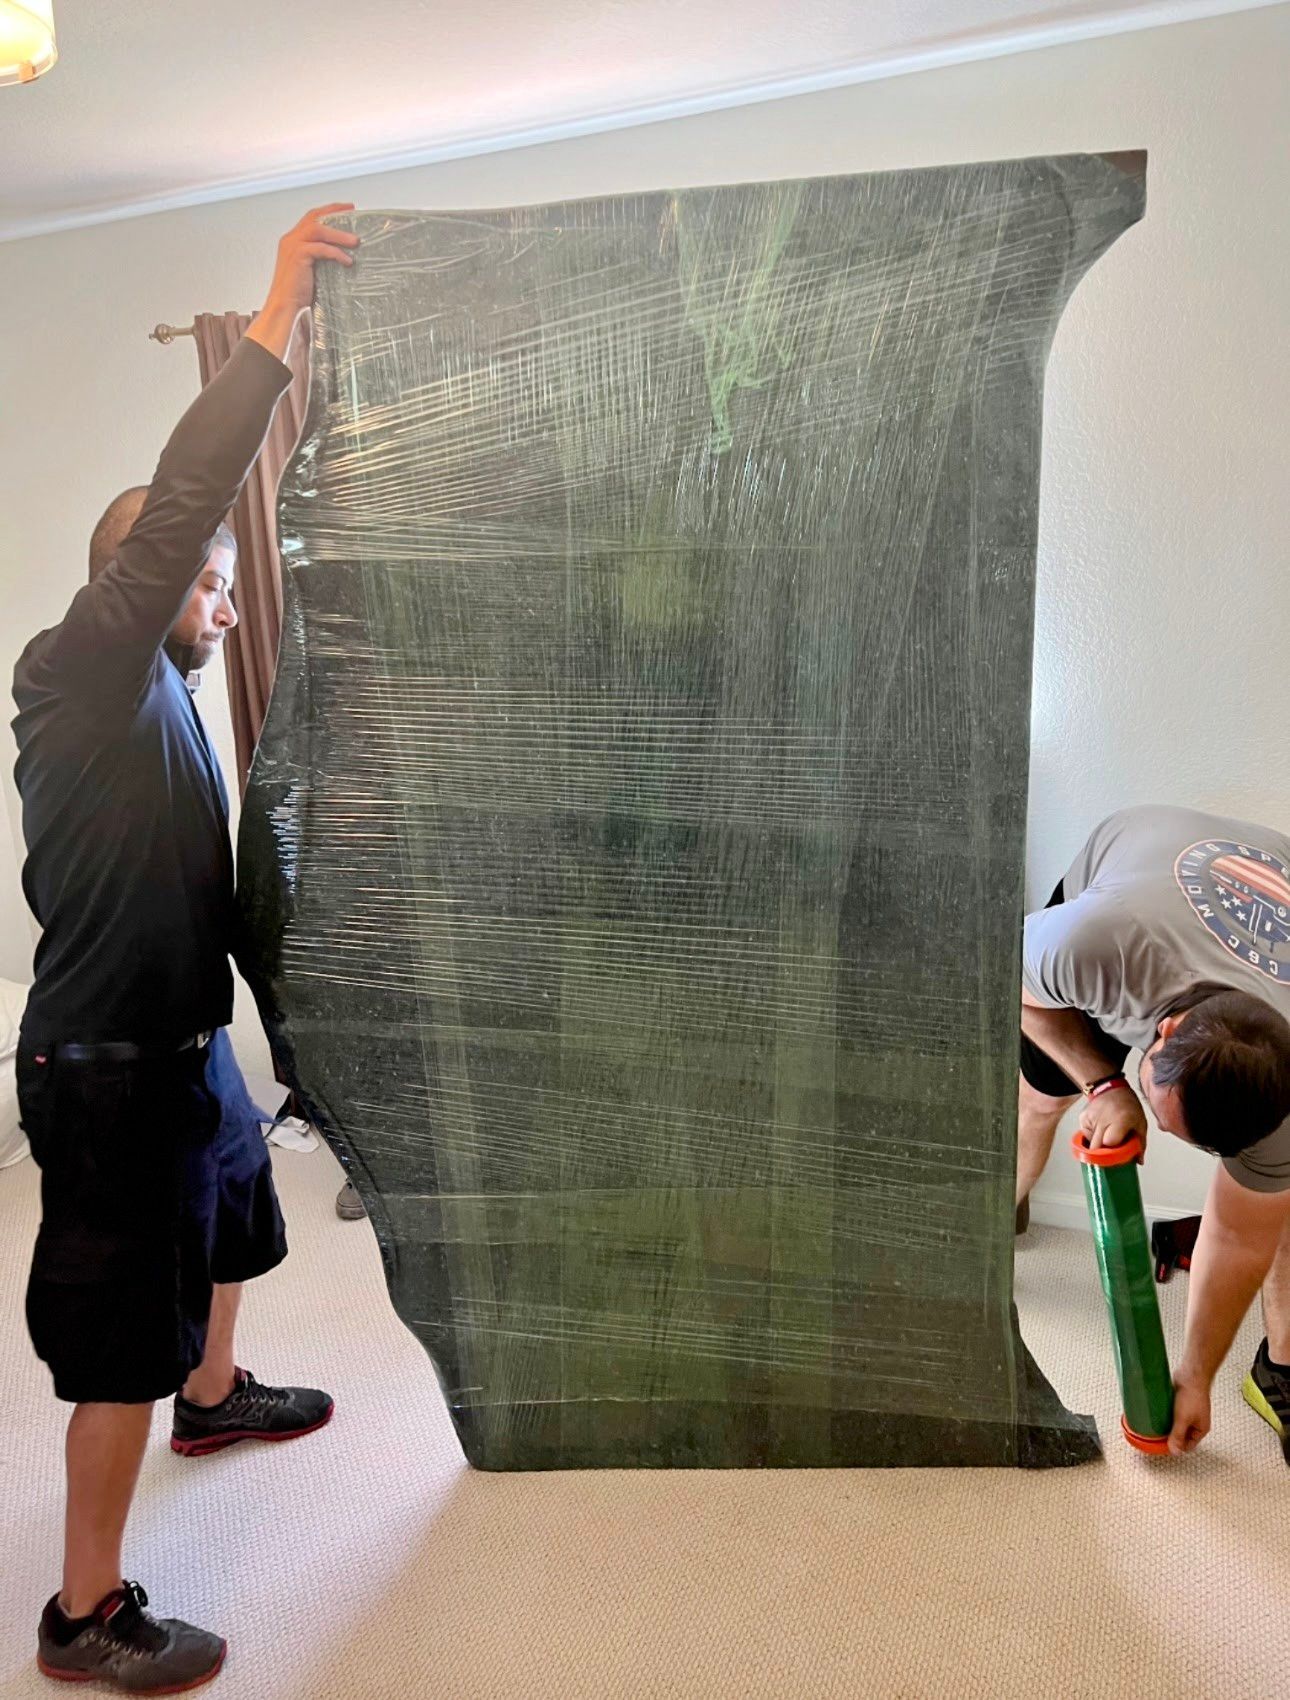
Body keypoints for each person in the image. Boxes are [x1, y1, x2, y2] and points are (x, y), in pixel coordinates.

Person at [11, 205, 361, 1692]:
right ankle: (85, 1612)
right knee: (114, 1335)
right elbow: (189, 490)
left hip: (182, 1041)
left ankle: (212, 1396)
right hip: (100, 1065)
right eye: (194, 580)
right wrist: (279, 307)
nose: (214, 604)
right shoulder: (82, 667)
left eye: (222, 584)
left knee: (232, 1212)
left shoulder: (165, 717)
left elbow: (206, 892)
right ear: (136, 583)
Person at [1018, 803, 1290, 1462]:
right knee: (1041, 1100)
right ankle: (1002, 1206)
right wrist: (1105, 1085)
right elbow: (1006, 977)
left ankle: (1281, 1368)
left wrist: (1194, 1375)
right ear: (1157, 1031)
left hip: (1253, 947)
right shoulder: (1092, 943)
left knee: (1281, 1205)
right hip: (1139, 877)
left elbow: (1239, 1233)